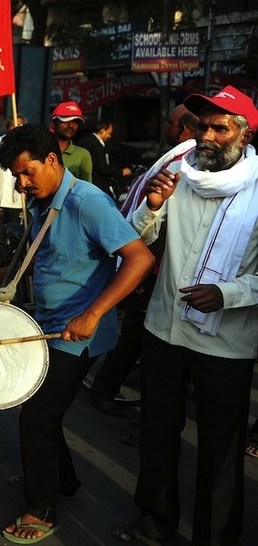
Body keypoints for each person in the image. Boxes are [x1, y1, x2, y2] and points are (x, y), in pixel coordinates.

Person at [0, 123, 152, 544]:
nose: (22, 184)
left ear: (52, 160)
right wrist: (6, 271)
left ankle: (42, 508)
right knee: (45, 413)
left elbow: (140, 258)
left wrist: (93, 314)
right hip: (46, 323)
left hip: (77, 334)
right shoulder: (43, 199)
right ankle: (63, 480)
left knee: (36, 416)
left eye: (27, 173)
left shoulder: (87, 201)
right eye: (16, 177)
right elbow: (47, 248)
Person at [114, 86, 258, 545]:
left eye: (220, 127)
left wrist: (228, 293)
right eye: (202, 126)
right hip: (164, 330)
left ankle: (215, 537)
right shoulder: (177, 174)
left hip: (227, 344)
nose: (207, 136)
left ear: (244, 134)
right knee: (157, 433)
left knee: (221, 448)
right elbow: (133, 238)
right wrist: (152, 208)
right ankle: (154, 520)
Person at [85, 106, 201, 419]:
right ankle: (104, 388)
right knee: (137, 332)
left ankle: (110, 387)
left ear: (184, 129)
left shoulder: (188, 161)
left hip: (160, 263)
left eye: (171, 121)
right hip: (153, 262)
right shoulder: (181, 160)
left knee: (142, 334)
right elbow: (161, 217)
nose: (165, 125)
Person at [0, 116, 26, 246]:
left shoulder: (27, 146)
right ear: (7, 127)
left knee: (15, 238)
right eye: (14, 125)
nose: (17, 129)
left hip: (17, 201)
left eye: (21, 125)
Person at [77, 119, 132, 198]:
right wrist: (121, 172)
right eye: (109, 133)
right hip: (97, 185)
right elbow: (102, 168)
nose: (109, 136)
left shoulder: (84, 141)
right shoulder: (96, 145)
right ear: (102, 130)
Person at [49, 101, 93, 181]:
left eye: (76, 122)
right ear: (53, 124)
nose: (71, 125)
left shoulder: (83, 155)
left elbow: (86, 190)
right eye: (66, 120)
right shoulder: (40, 149)